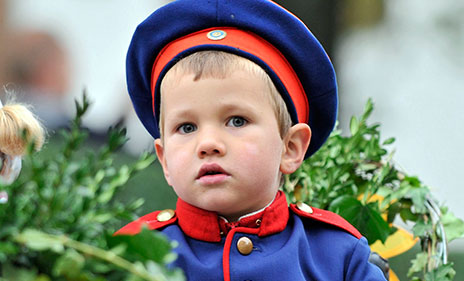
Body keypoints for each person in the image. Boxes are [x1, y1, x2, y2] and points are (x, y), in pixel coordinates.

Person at [116, 0, 387, 280]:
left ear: (291, 148)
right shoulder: (131, 255)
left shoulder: (338, 256)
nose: (208, 143)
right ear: (164, 160)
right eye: (186, 127)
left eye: (236, 121)